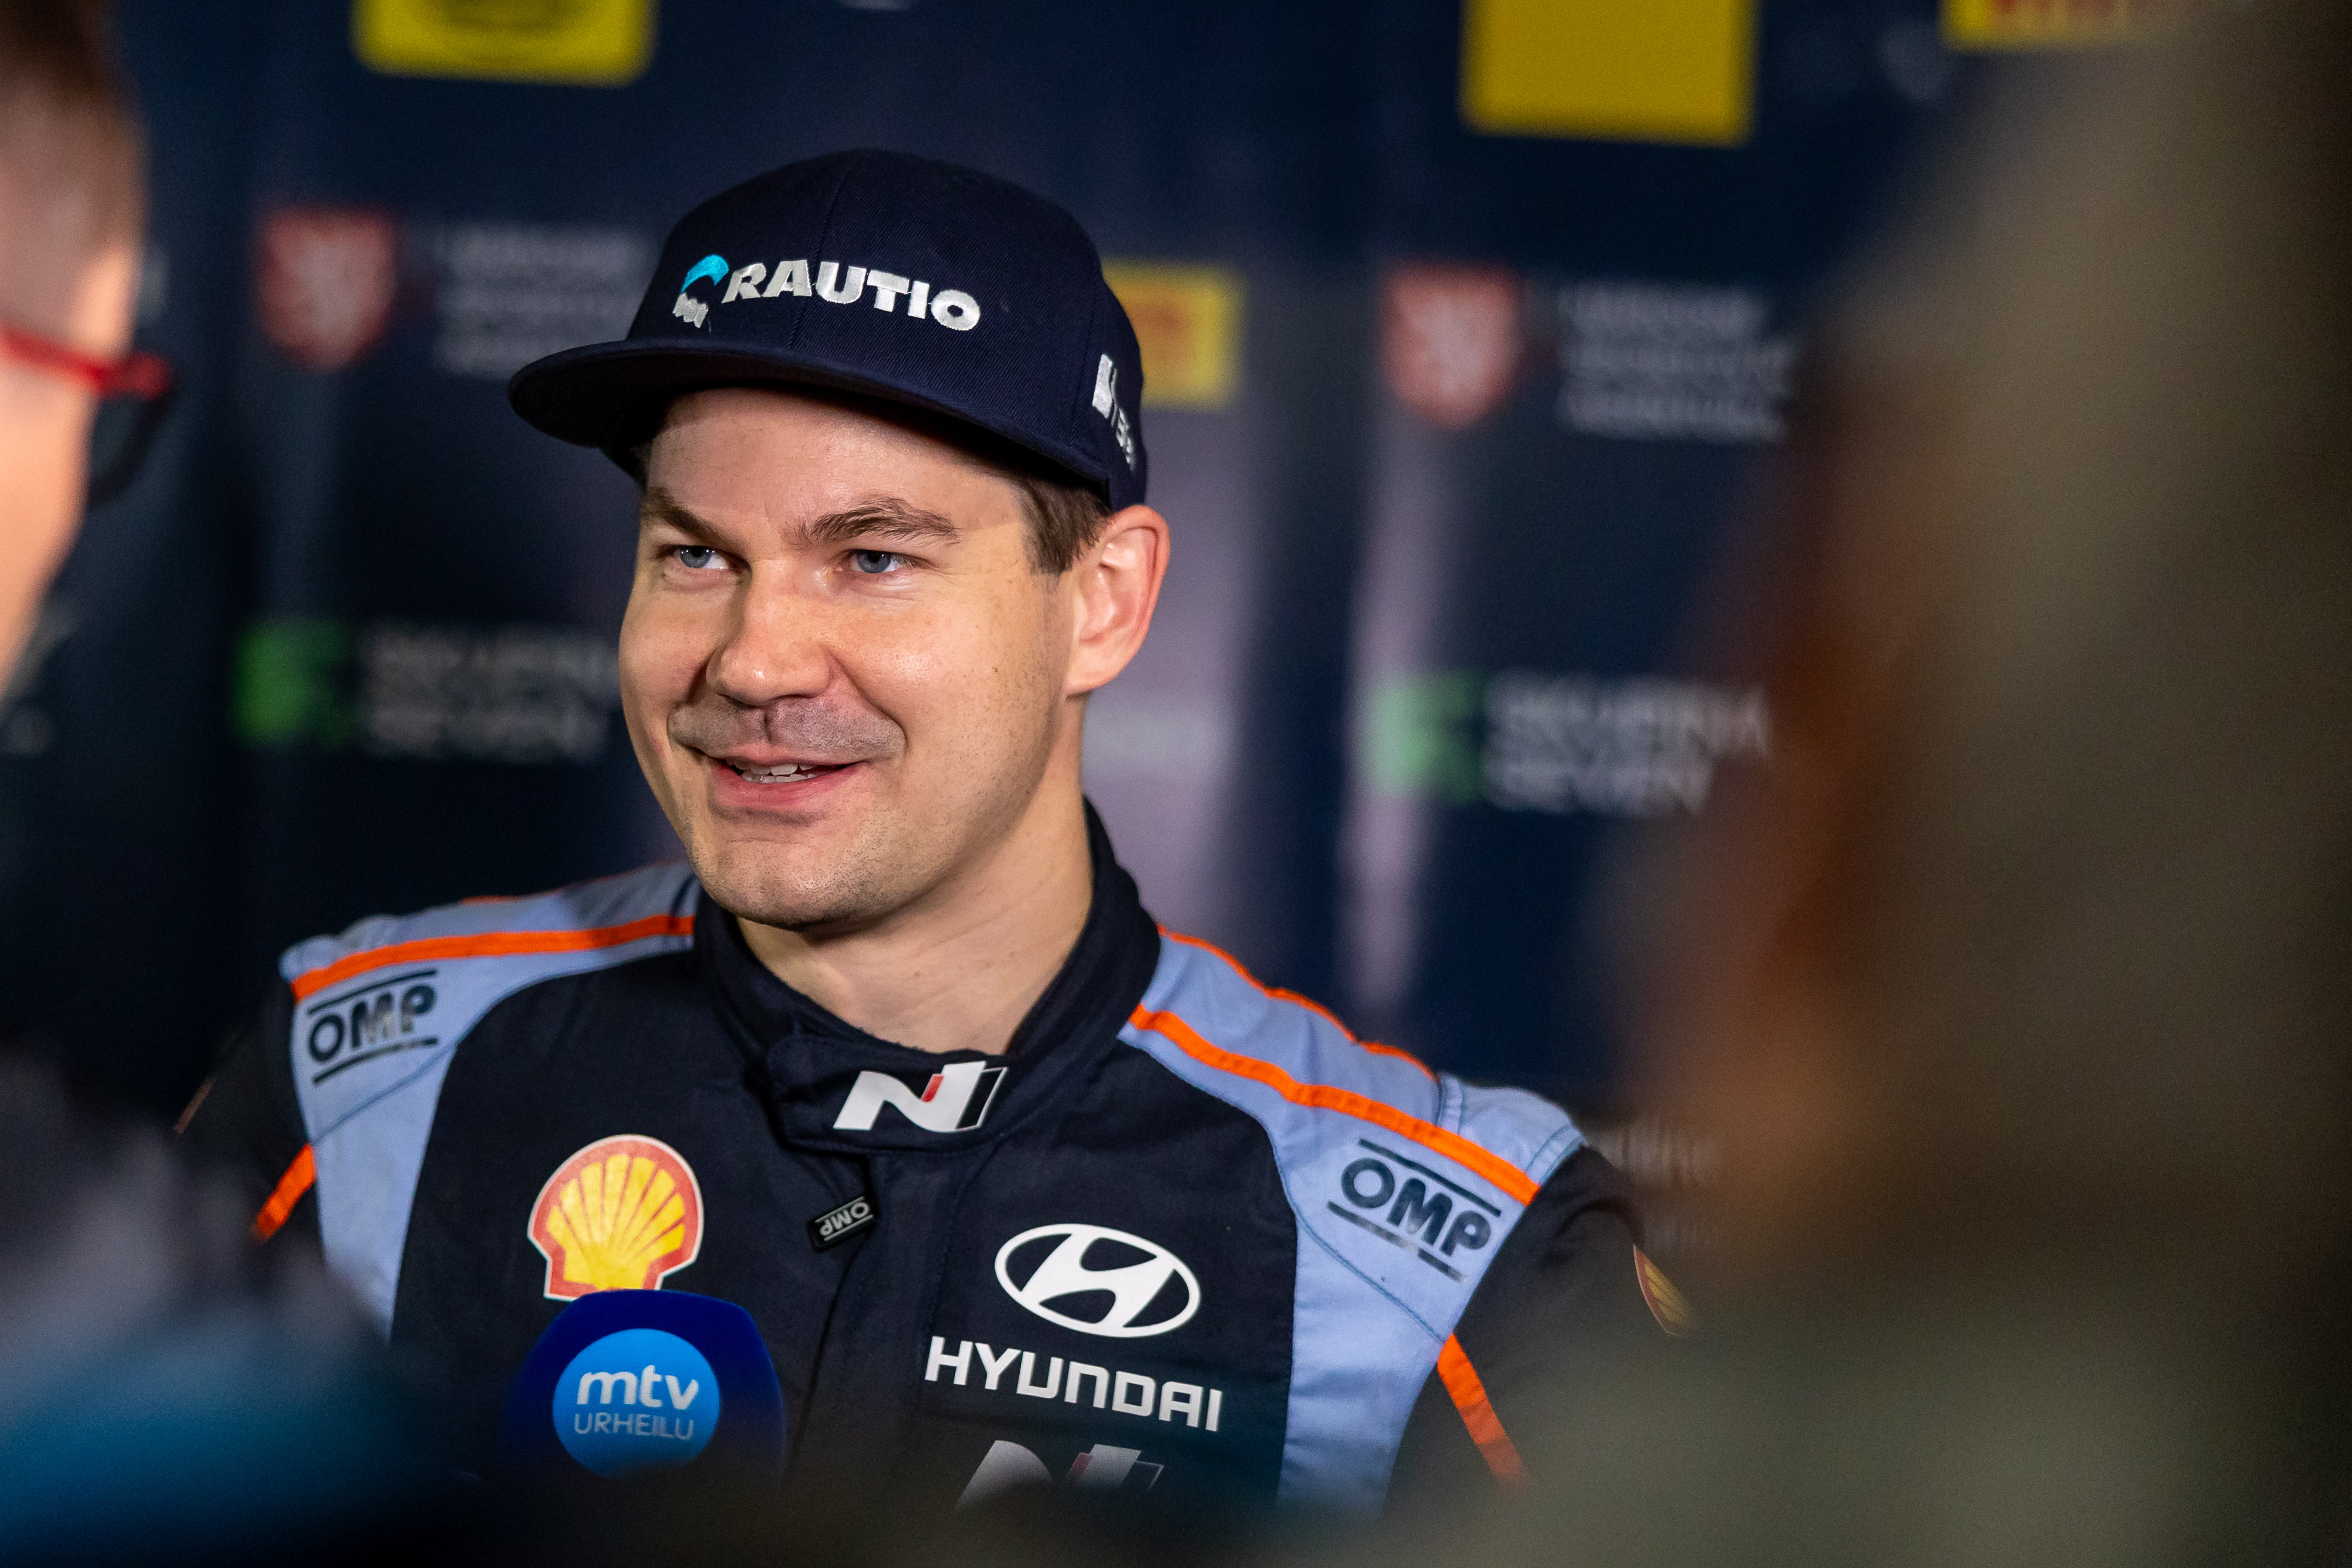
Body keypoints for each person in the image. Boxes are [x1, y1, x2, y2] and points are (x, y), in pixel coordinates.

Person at [183, 149, 1667, 1523]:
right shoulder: (356, 1083)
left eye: (874, 558)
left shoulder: (1448, 1268)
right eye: (695, 554)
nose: (754, 660)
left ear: (1103, 602)